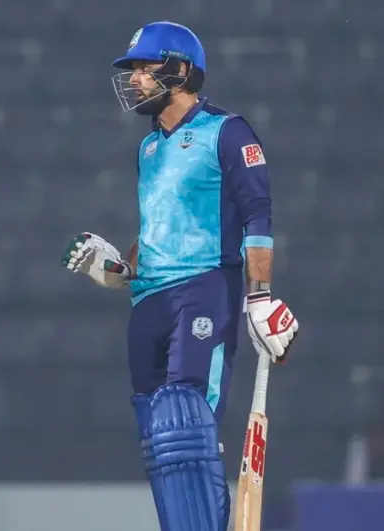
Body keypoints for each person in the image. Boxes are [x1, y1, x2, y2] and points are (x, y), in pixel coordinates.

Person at [63, 21, 300, 529]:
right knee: (159, 439)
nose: (134, 80)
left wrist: (260, 296)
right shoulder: (148, 147)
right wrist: (121, 269)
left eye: (145, 69)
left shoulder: (227, 131)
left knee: (186, 422)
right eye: (133, 71)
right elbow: (154, 226)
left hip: (204, 289)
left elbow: (258, 217)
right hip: (147, 301)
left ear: (180, 70)